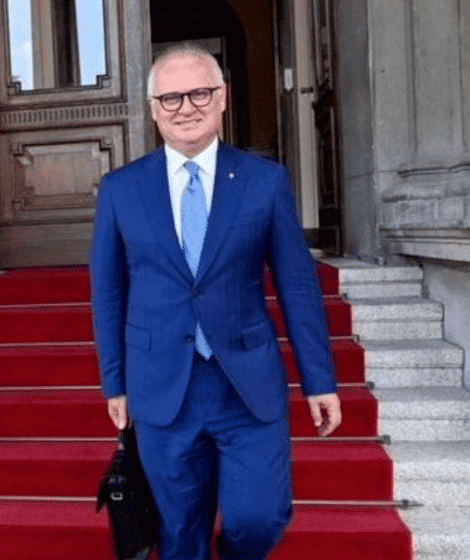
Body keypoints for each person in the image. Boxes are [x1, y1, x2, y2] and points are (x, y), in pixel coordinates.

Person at [89, 43, 342, 560]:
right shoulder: (121, 189)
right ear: (154, 108)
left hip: (246, 385)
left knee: (259, 518)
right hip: (162, 385)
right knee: (179, 533)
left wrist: (319, 380)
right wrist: (114, 381)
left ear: (222, 97)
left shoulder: (264, 181)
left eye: (199, 93)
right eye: (171, 97)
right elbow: (108, 293)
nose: (186, 107)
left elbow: (297, 284)